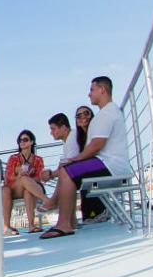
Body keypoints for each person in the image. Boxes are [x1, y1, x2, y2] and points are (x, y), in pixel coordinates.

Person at [40, 75, 131, 239]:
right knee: (67, 170)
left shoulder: (108, 113)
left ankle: (64, 224)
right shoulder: (107, 113)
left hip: (111, 165)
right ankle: (68, 221)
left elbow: (97, 145)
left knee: (67, 171)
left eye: (92, 90)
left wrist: (75, 160)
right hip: (108, 163)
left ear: (102, 90)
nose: (89, 94)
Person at [0, 129, 47, 234]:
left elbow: (39, 178)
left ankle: (31, 225)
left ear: (32, 142)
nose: (22, 142)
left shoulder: (38, 159)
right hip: (14, 188)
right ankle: (47, 201)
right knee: (10, 187)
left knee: (28, 190)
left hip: (32, 187)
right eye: (20, 140)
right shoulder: (13, 158)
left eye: (25, 139)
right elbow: (8, 177)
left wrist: (28, 176)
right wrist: (19, 175)